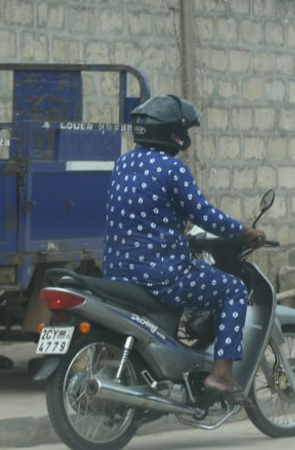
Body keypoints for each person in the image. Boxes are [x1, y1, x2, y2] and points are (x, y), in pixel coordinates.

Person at [103, 95, 265, 404]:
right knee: (232, 289)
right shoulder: (171, 168)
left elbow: (147, 215)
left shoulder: (124, 162)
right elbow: (204, 214)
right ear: (172, 132)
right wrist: (243, 232)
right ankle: (221, 374)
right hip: (161, 274)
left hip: (117, 272)